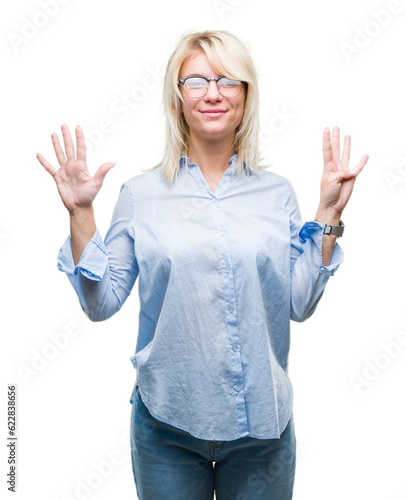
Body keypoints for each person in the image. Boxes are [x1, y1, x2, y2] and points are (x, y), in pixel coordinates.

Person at [37, 29, 368, 500]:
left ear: (245, 96)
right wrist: (80, 215)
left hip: (262, 430)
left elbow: (299, 303)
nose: (212, 93)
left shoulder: (277, 194)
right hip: (167, 426)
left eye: (227, 80)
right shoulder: (140, 195)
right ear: (178, 98)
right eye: (196, 81)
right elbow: (100, 303)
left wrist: (329, 216)